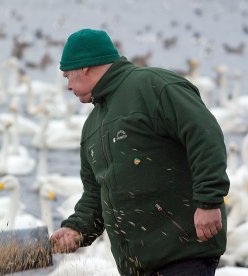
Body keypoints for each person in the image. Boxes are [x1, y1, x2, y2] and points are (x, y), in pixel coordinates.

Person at [50, 28, 229, 276]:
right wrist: (77, 229)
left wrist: (209, 202)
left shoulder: (153, 86)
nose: (68, 86)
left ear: (84, 67)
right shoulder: (92, 127)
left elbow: (204, 134)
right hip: (137, 268)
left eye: (67, 75)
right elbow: (96, 195)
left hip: (183, 253)